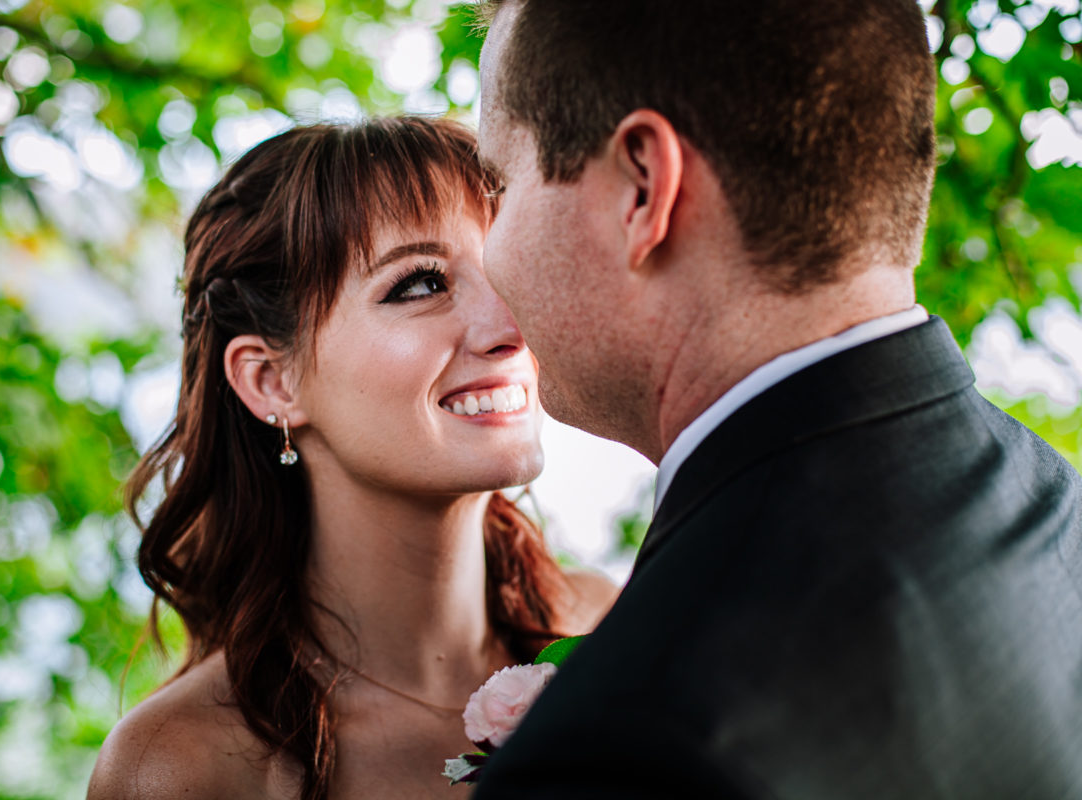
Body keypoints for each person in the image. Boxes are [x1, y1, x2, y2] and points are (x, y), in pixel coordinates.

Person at [472, 1, 1082, 798]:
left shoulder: (629, 741)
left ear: (643, 190)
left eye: (500, 181)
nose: (489, 257)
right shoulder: (1047, 495)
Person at [86, 116, 617, 800]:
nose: (509, 328)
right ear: (272, 381)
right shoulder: (185, 768)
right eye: (421, 283)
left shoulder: (603, 629)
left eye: (505, 265)